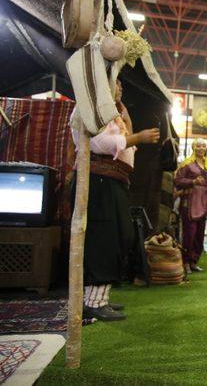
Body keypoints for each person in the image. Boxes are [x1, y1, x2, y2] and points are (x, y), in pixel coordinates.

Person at [73, 79, 160, 321]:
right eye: (116, 83)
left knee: (118, 236)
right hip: (100, 181)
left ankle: (98, 298)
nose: (120, 88)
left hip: (113, 181)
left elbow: (124, 139)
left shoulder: (113, 112)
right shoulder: (93, 108)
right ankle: (93, 301)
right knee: (104, 239)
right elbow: (100, 143)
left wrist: (126, 116)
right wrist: (138, 138)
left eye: (122, 85)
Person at [174, 139, 207, 273]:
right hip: (190, 203)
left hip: (204, 204)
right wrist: (193, 181)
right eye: (198, 146)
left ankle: (193, 261)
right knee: (189, 234)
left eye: (203, 146)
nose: (201, 148)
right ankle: (185, 262)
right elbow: (177, 181)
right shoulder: (187, 164)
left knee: (199, 235)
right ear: (193, 148)